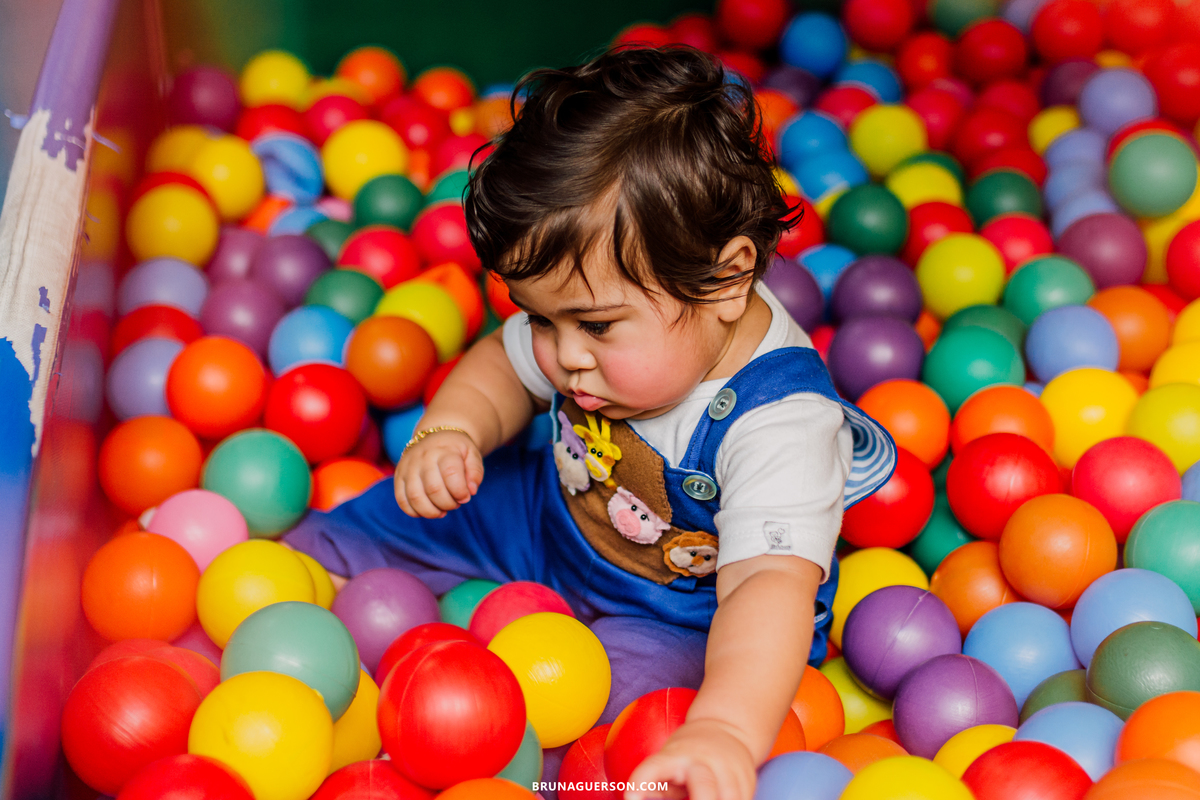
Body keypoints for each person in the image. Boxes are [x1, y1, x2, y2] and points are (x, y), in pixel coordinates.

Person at [286, 46, 895, 800]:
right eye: (539, 318)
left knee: (609, 729)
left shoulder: (781, 426)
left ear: (728, 279)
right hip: (549, 517)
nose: (564, 356)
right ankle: (296, 579)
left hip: (689, 615)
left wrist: (727, 729)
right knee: (383, 521)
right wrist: (449, 432)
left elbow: (767, 588)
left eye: (598, 327)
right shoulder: (584, 322)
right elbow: (502, 365)